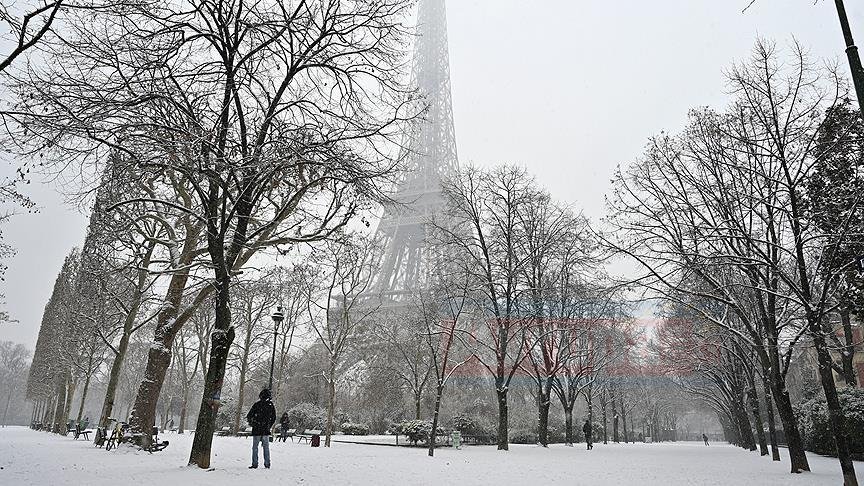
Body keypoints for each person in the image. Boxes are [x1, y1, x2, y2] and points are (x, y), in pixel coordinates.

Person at [246, 388, 277, 469]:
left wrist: (253, 424)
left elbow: (249, 416)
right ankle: (267, 464)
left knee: (255, 447)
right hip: (265, 430)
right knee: (266, 447)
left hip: (257, 429)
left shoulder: (257, 405)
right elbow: (273, 417)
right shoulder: (270, 405)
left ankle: (254, 463)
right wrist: (268, 425)